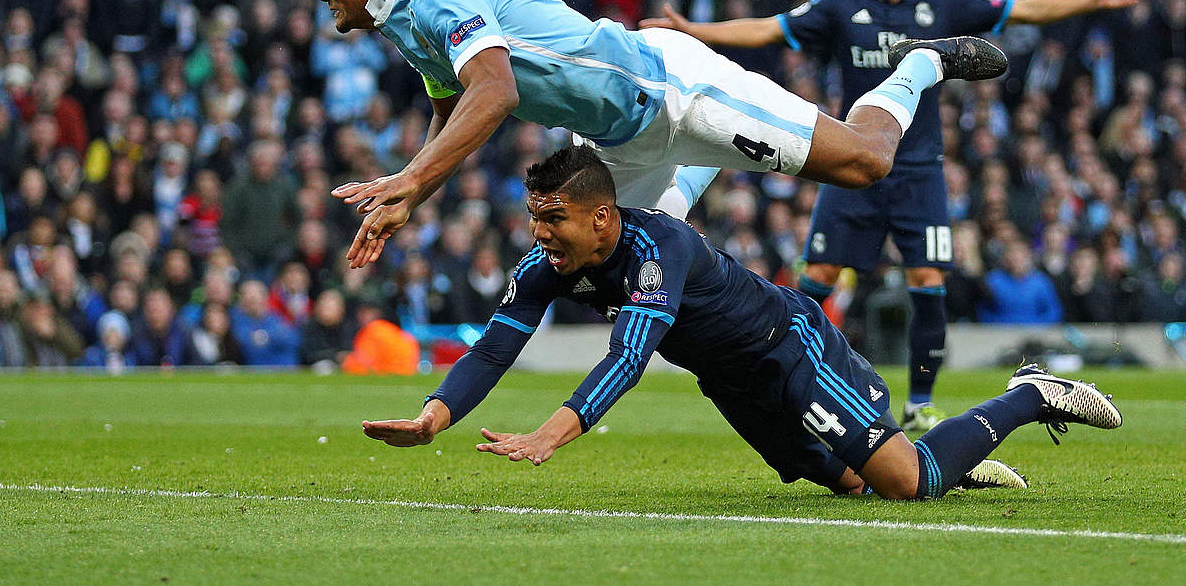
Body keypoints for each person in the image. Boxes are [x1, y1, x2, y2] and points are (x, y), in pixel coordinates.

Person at [362, 146, 1121, 499]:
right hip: (732, 385)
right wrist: (436, 416)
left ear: (601, 217)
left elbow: (630, 357)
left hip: (790, 351)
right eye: (533, 218)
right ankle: (955, 463)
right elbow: (496, 345)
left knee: (904, 483)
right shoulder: (552, 264)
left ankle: (1029, 395)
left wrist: (548, 435)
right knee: (853, 485)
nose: (539, 234)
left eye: (552, 219)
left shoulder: (660, 248)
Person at [641, 0, 1145, 431]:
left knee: (928, 279)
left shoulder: (943, 3)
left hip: (918, 170)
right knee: (818, 276)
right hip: (851, 163)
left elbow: (1020, 10)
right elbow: (769, 29)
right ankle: (784, 377)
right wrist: (691, 28)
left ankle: (919, 403)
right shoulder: (841, 7)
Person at [311, 0, 1009, 270]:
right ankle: (702, 167)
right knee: (606, 273)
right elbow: (451, 105)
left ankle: (918, 65)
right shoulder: (399, 18)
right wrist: (413, 196)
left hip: (671, 87)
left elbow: (492, 91)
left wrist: (408, 177)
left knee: (864, 163)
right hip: (618, 137)